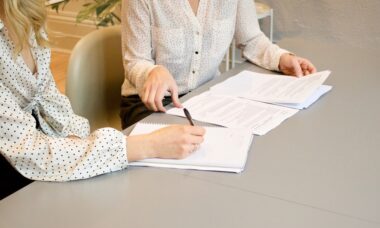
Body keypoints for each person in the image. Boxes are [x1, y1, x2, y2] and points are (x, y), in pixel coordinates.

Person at [0, 0, 205, 200]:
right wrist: (148, 145)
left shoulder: (25, 13)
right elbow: (28, 150)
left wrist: (76, 140)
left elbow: (49, 99)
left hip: (38, 151)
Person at [120, 0, 317, 129]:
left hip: (206, 98)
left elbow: (251, 39)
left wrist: (281, 59)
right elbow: (135, 61)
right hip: (150, 104)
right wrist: (152, 72)